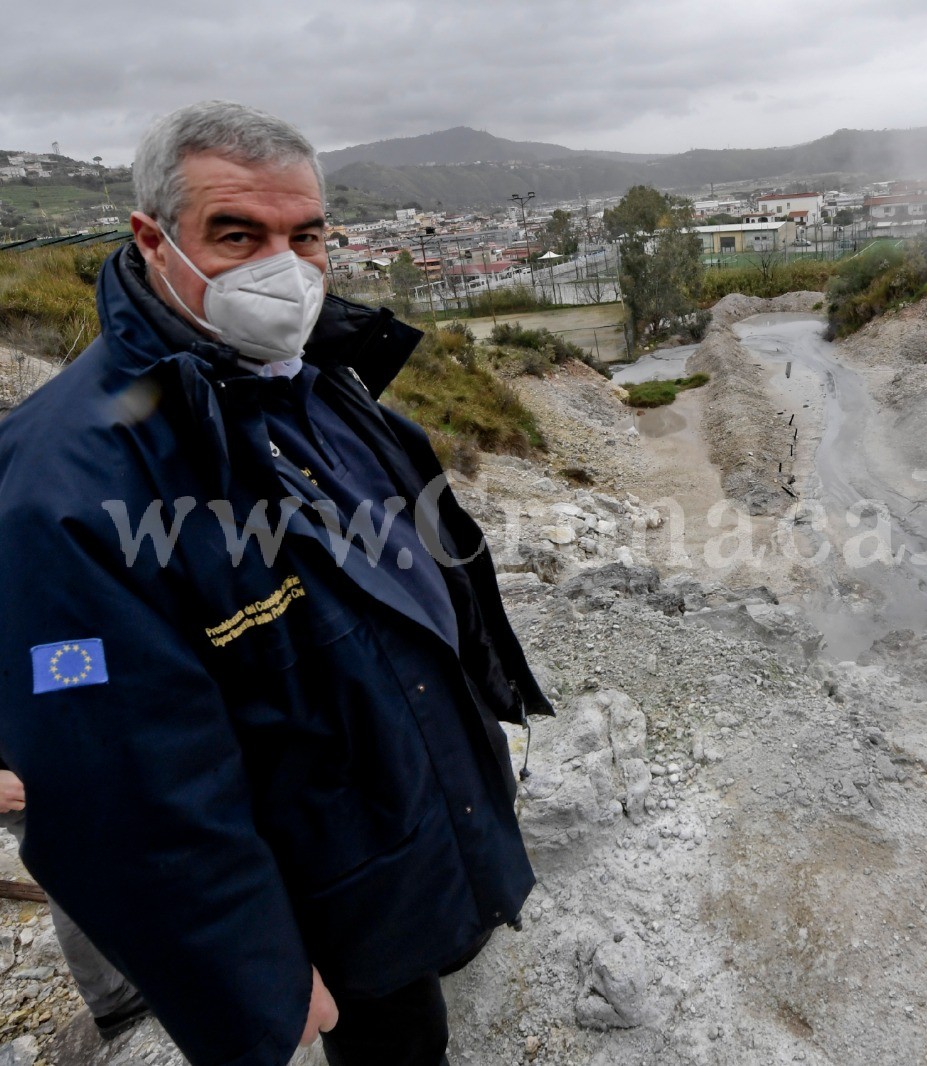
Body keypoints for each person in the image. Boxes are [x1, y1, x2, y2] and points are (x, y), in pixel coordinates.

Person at [0, 101, 553, 1066]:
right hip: (309, 895)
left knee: (414, 1024)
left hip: (387, 840)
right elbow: (123, 788)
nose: (283, 270)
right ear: (151, 236)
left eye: (306, 236)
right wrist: (251, 973)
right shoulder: (67, 485)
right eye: (236, 234)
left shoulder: (307, 380)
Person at [0, 770, 150, 1039]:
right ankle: (112, 999)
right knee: (70, 870)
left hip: (36, 754)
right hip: (20, 773)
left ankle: (122, 975)